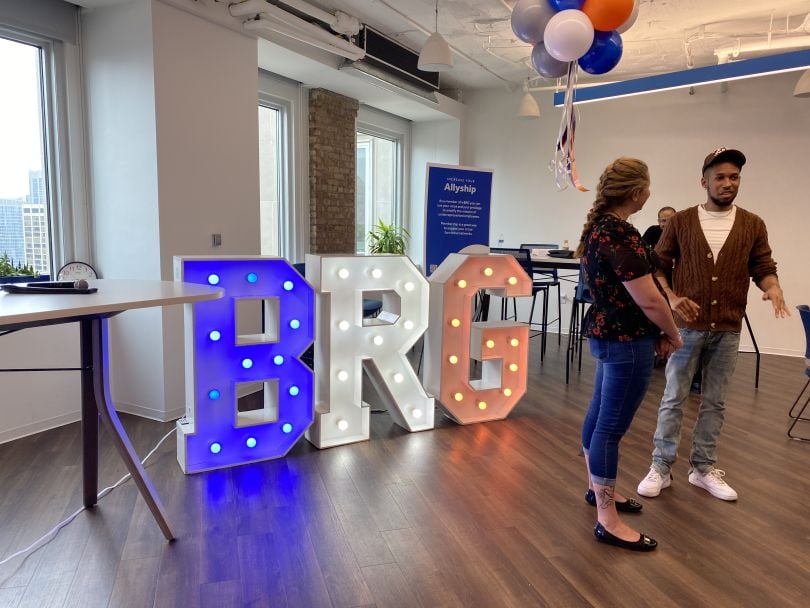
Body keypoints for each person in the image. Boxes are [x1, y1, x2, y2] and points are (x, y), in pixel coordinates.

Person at [637, 147, 789, 502]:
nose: (727, 183)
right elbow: (657, 267)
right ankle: (661, 466)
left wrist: (774, 288)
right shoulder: (682, 221)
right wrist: (672, 299)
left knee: (715, 401)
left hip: (727, 328)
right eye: (720, 177)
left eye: (734, 177)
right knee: (673, 397)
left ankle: (702, 468)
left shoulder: (752, 224)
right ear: (704, 181)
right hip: (687, 327)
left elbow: (763, 267)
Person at [576, 158, 683, 552]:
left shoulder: (604, 229)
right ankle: (607, 519)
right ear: (638, 193)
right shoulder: (617, 233)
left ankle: (596, 489)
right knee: (610, 429)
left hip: (608, 336)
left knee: (600, 413)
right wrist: (673, 333)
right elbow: (649, 300)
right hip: (627, 342)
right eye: (648, 187)